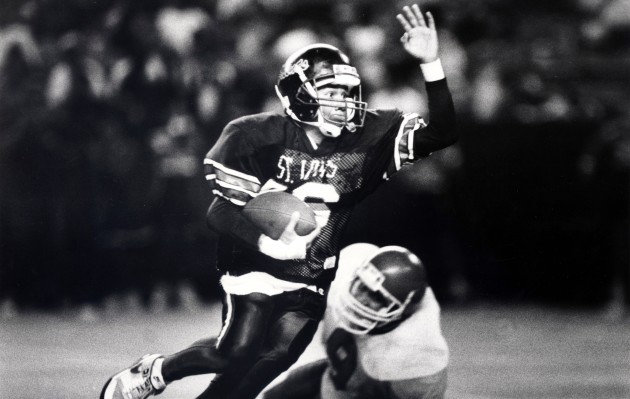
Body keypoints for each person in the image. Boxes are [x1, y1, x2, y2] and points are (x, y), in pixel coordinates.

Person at [100, 4, 457, 399]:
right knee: (234, 352)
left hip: (314, 270)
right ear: (301, 93)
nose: (342, 101)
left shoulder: (367, 136)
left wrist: (431, 64)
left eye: (346, 91)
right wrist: (267, 242)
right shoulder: (256, 135)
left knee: (269, 364)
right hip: (254, 260)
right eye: (330, 91)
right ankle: (156, 371)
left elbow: (442, 132)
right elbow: (220, 210)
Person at [261, 243, 449, 399]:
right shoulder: (344, 275)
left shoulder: (416, 361)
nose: (363, 299)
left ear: (401, 312)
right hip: (333, 379)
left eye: (379, 298)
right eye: (363, 286)